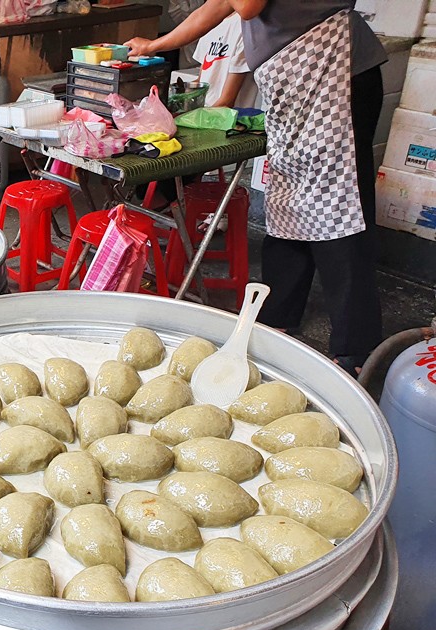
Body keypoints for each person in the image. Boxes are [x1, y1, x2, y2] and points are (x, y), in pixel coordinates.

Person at [128, 0, 386, 376]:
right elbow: (218, 5)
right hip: (295, 86)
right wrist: (155, 45)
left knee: (338, 208)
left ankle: (357, 350)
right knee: (288, 201)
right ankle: (278, 318)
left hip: (331, 74)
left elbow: (246, 6)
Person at [128, 12, 258, 109]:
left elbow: (227, 102)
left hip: (233, 123)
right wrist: (174, 97)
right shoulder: (211, 24)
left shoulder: (248, 28)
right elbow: (201, 81)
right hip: (206, 113)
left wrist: (190, 118)